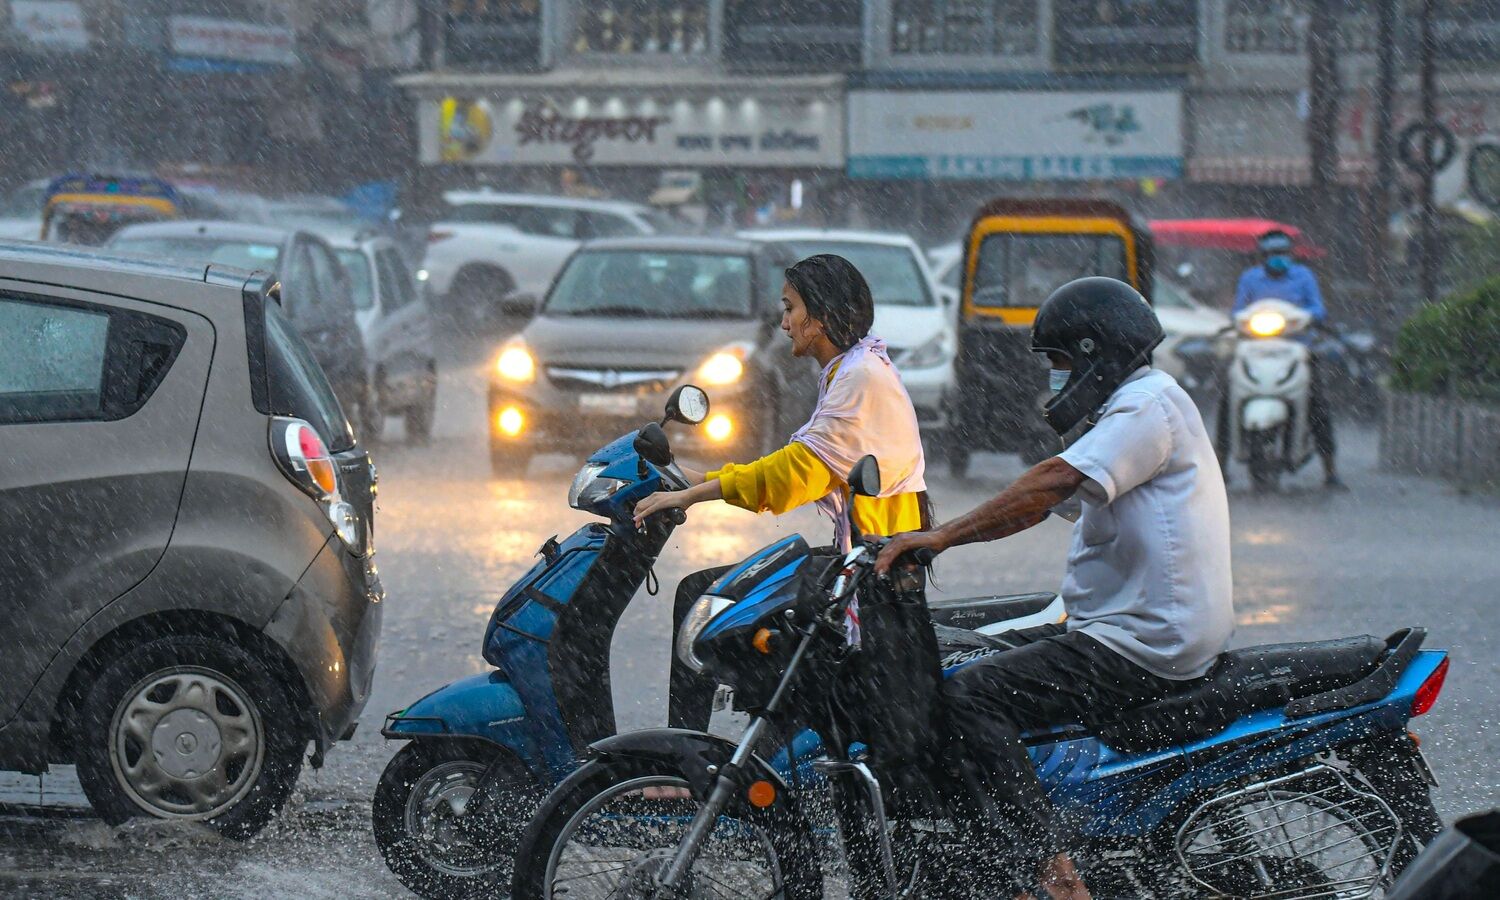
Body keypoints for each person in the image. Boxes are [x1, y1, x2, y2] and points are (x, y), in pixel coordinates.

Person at [876, 277, 1234, 900]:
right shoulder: (1134, 409)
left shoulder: (1148, 408)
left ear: (1098, 355)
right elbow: (1039, 505)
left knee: (970, 698)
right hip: (1121, 625)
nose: (1055, 380)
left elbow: (1050, 485)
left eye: (1061, 364)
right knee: (963, 646)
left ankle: (1048, 871)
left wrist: (941, 538)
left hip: (1141, 642)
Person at [633, 253, 928, 732]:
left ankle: (681, 763)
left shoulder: (860, 377)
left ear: (823, 315)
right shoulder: (851, 369)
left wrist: (690, 496)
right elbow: (792, 463)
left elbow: (793, 475)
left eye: (791, 308)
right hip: (864, 558)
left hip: (872, 571)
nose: (784, 321)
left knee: (701, 596)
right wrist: (691, 476)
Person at [1230, 229, 1343, 488]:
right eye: (1271, 254)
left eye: (1282, 253)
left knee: (1318, 403)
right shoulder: (1250, 279)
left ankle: (1330, 470)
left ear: (1291, 254)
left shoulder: (1304, 277)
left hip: (1297, 348)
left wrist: (1309, 317)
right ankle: (1221, 462)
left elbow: (1317, 309)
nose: (1277, 258)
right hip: (1255, 349)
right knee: (1227, 393)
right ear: (1262, 255)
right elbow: (1238, 311)